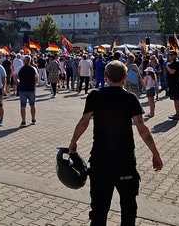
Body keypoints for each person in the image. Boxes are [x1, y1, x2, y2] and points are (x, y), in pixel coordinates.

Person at [68, 60, 163, 225]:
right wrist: (155, 153)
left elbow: (84, 121)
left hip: (100, 161)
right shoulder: (130, 98)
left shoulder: (95, 96)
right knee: (128, 209)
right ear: (125, 77)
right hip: (125, 162)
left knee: (99, 211)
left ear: (105, 76)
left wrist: (73, 143)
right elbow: (141, 128)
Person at [17, 55, 38, 127]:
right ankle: (33, 119)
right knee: (32, 105)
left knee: (23, 106)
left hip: (22, 89)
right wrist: (33, 84)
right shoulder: (33, 69)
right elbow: (36, 79)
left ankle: (23, 121)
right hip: (31, 89)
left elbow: (15, 76)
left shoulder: (20, 68)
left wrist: (19, 82)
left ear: (25, 61)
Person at [166, 50, 179, 120]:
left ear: (175, 55)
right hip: (174, 83)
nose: (170, 56)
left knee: (177, 99)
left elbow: (171, 72)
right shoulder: (173, 62)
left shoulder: (176, 63)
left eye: (171, 55)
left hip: (176, 84)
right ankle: (178, 113)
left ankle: (178, 114)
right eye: (169, 55)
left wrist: (167, 65)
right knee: (175, 99)